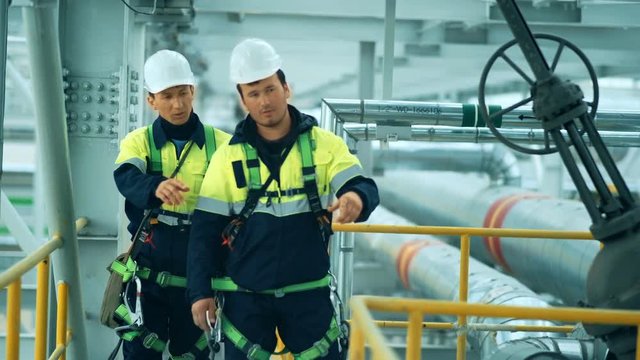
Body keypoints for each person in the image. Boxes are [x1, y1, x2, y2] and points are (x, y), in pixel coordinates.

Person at [187, 38, 379, 359]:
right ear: (242, 100)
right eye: (254, 93)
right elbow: (204, 231)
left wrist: (355, 198)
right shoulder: (227, 158)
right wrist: (199, 293)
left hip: (308, 296)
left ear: (286, 88)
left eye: (270, 89)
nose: (264, 101)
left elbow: (360, 184)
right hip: (246, 298)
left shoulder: (323, 145)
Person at [113, 49, 230, 359]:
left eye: (183, 93)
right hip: (149, 269)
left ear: (193, 91)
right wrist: (156, 187)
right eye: (167, 96)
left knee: (193, 352)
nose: (177, 104)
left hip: (200, 266)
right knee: (141, 350)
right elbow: (126, 177)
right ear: (152, 100)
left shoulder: (223, 144)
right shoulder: (138, 142)